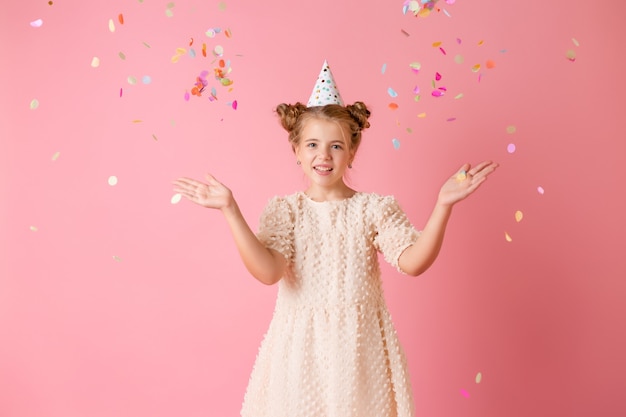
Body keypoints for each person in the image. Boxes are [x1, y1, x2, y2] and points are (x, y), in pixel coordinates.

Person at [172, 61, 498, 417]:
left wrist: (442, 205)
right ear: (296, 150)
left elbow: (412, 261)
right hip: (300, 355)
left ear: (352, 152)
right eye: (312, 144)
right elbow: (268, 271)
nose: (323, 156)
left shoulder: (374, 209)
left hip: (360, 354)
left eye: (336, 146)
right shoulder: (286, 211)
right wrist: (230, 210)